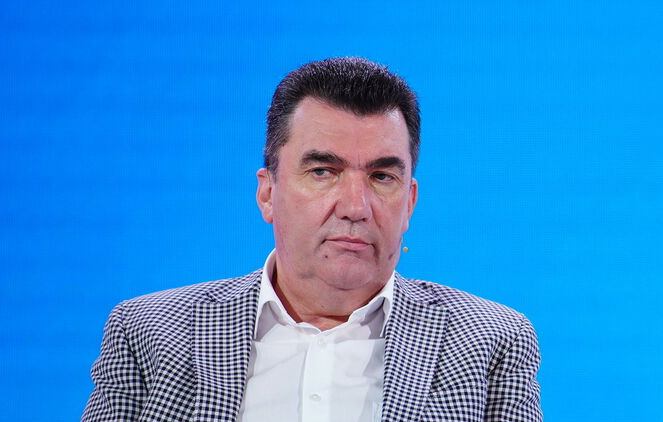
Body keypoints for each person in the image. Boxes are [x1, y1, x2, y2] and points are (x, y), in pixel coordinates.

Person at [82, 57, 542, 422]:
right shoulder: (151, 333)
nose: (355, 206)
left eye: (382, 176)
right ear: (268, 193)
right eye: (323, 171)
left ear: (410, 203)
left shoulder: (490, 342)